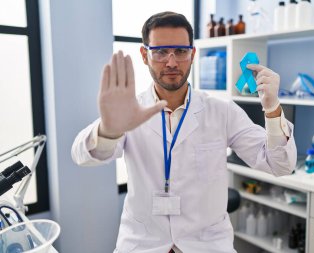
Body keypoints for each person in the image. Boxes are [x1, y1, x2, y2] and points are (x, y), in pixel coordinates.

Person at [71, 11, 296, 253]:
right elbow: (81, 156)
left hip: (207, 245)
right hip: (143, 244)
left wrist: (272, 109)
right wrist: (109, 129)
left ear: (192, 54)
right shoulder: (130, 111)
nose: (171, 62)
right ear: (144, 55)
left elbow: (280, 165)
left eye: (180, 51)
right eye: (160, 52)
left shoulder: (222, 111)